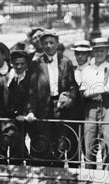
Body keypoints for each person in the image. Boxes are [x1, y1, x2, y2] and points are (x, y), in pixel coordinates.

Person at [26, 30, 79, 166]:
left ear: (57, 43)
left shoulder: (66, 62)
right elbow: (32, 90)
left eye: (51, 42)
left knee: (60, 143)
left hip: (61, 108)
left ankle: (59, 174)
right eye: (45, 43)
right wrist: (31, 110)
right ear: (41, 46)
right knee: (43, 142)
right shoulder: (36, 64)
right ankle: (44, 176)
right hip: (43, 107)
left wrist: (69, 99)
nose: (49, 46)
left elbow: (72, 85)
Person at [80, 38, 109, 168]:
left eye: (102, 51)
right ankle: (89, 173)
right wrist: (101, 88)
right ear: (92, 52)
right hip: (90, 107)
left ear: (107, 51)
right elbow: (83, 92)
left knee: (108, 140)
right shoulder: (87, 70)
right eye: (96, 51)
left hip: (107, 106)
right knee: (89, 140)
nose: (99, 54)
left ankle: (107, 172)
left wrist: (93, 90)